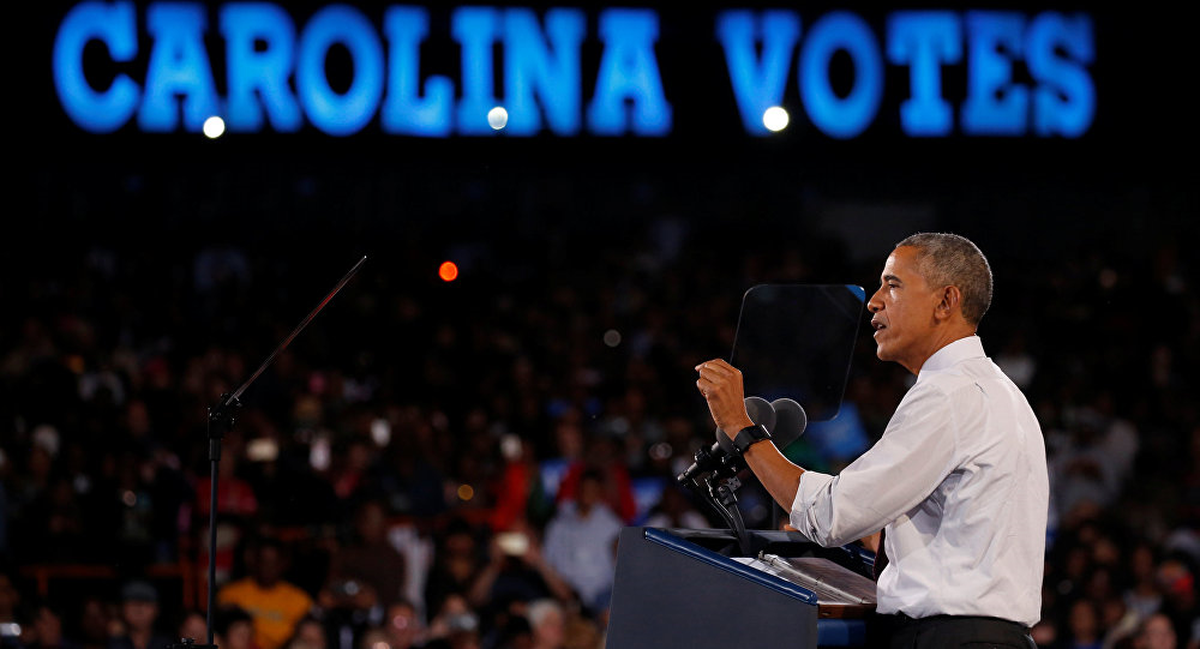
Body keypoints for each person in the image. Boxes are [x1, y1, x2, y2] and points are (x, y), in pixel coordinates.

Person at [695, 232, 1049, 649]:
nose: (874, 301)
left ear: (946, 302)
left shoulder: (948, 396)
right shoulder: (995, 391)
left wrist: (741, 426)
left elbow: (829, 516)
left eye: (893, 284)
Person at [217, 538, 314, 649]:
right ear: (254, 562)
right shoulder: (231, 593)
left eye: (273, 562)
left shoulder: (299, 599)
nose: (268, 567)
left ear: (283, 564)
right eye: (263, 561)